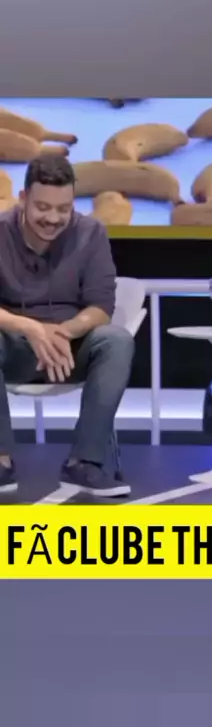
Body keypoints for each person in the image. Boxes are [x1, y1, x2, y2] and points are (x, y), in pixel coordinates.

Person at [0, 156, 135, 498]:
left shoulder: (91, 233)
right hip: (13, 348)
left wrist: (65, 331)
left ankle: (84, 463)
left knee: (117, 340)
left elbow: (101, 307)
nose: (53, 218)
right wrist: (30, 328)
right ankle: (0, 462)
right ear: (23, 199)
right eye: (43, 207)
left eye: (63, 208)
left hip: (69, 350)